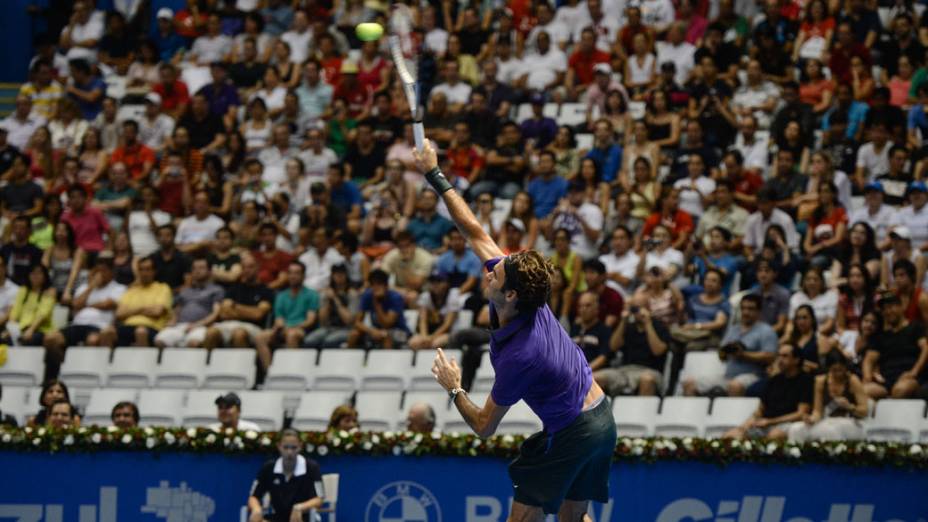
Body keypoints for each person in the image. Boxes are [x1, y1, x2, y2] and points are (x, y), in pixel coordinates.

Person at [420, 138, 614, 521]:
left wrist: (454, 387)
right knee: (573, 518)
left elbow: (484, 426)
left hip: (574, 431)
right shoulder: (528, 296)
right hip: (603, 419)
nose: (490, 267)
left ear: (509, 294)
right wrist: (435, 174)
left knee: (524, 516)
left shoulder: (521, 356)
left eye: (498, 271)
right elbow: (474, 231)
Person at [43, 254, 125, 381]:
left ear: (111, 272)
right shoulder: (84, 288)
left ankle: (90, 373)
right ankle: (65, 366)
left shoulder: (118, 288)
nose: (100, 274)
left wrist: (86, 305)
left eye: (103, 270)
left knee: (92, 340)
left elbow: (108, 304)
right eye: (97, 270)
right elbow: (75, 304)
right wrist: (91, 287)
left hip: (98, 326)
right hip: (76, 325)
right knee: (50, 339)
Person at [683, 294, 778, 397]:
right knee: (689, 383)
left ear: (759, 311)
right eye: (743, 308)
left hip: (753, 376)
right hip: (728, 376)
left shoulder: (766, 331)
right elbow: (721, 356)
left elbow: (770, 357)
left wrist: (744, 355)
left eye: (751, 309)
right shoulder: (733, 329)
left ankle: (733, 413)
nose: (746, 312)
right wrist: (727, 351)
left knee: (735, 386)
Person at [723, 344, 813, 441]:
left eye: (785, 356)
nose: (780, 359)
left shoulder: (806, 381)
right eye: (779, 355)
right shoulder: (773, 380)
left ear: (796, 360)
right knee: (731, 436)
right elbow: (760, 410)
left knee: (775, 435)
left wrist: (770, 422)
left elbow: (801, 414)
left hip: (787, 424)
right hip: (765, 423)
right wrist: (744, 426)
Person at [248, 428, 324, 522]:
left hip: (303, 517)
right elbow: (253, 497)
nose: (289, 452)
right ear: (279, 446)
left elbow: (319, 499)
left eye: (293, 448)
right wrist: (256, 509)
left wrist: (300, 507)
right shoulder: (269, 467)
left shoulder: (312, 467)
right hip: (277, 517)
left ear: (300, 446)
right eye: (286, 447)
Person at [788, 352, 867, 442]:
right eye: (834, 370)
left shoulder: (853, 380)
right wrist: (811, 419)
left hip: (852, 421)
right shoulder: (820, 381)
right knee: (796, 429)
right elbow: (817, 411)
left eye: (841, 370)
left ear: (846, 367)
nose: (838, 374)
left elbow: (864, 411)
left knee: (830, 430)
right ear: (828, 369)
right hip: (827, 420)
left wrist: (849, 406)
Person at [255, 261, 319, 371]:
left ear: (303, 276)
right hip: (283, 328)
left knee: (291, 335)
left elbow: (310, 320)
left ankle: (291, 372)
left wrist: (291, 327)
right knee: (260, 337)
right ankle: (270, 373)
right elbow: (279, 318)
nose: (293, 276)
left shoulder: (312, 294)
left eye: (296, 273)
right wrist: (280, 327)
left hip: (301, 329)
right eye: (290, 273)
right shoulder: (281, 296)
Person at [863, 292, 928, 399]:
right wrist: (868, 376)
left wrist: (914, 372)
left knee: (900, 390)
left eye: (891, 307)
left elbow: (926, 348)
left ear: (901, 307)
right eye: (884, 309)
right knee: (863, 391)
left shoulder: (915, 327)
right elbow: (869, 359)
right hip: (886, 380)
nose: (888, 311)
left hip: (909, 377)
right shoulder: (880, 336)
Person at [99, 256, 172, 348]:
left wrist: (131, 311)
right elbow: (119, 313)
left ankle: (143, 361)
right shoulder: (131, 290)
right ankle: (106, 362)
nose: (144, 273)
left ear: (154, 271)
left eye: (147, 269)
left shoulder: (162, 288)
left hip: (151, 327)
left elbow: (157, 312)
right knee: (106, 332)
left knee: (140, 331)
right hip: (128, 326)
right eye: (141, 270)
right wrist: (143, 309)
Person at [206, 252, 274, 350]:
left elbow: (258, 314)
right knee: (211, 332)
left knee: (239, 333)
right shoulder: (234, 288)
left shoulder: (266, 291)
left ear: (258, 268)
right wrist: (248, 311)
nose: (247, 270)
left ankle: (241, 364)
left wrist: (235, 306)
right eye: (244, 267)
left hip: (253, 327)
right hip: (230, 324)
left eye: (250, 267)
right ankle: (207, 364)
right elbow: (224, 313)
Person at [153, 258, 224, 349]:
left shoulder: (216, 290)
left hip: (203, 326)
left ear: (209, 271)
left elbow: (216, 313)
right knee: (160, 341)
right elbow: (177, 309)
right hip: (180, 325)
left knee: (193, 343)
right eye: (194, 268)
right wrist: (172, 321)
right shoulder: (185, 291)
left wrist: (198, 324)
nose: (197, 271)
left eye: (201, 268)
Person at [347, 269, 410, 349]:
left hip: (399, 331)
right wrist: (371, 331)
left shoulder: (395, 297)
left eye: (379, 284)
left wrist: (377, 303)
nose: (375, 287)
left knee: (385, 335)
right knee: (354, 334)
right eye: (373, 284)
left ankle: (387, 361)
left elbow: (387, 324)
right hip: (376, 330)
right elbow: (357, 322)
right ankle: (347, 360)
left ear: (386, 285)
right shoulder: (367, 295)